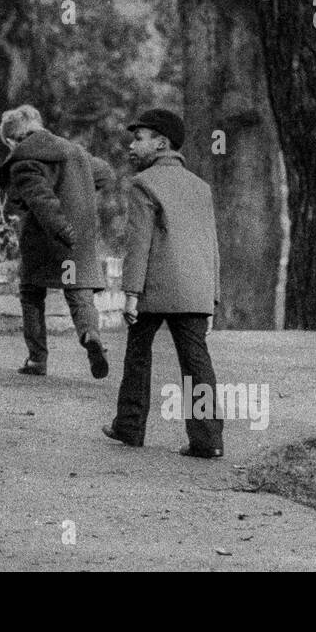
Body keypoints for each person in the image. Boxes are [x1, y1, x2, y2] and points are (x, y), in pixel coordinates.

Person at [103, 108, 223, 459]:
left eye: (138, 138)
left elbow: (139, 244)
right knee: (196, 362)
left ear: (161, 142)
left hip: (155, 289)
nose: (131, 145)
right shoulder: (201, 186)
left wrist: (130, 294)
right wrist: (212, 297)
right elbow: (211, 243)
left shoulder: (143, 183)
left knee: (138, 354)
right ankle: (208, 439)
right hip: (195, 290)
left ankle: (130, 426)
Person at [0, 104, 113, 379]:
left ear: (12, 140)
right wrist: (78, 191)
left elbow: (41, 200)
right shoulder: (75, 152)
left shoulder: (24, 162)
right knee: (80, 294)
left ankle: (37, 359)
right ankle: (90, 335)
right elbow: (105, 173)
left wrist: (60, 227)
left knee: (31, 293)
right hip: (78, 241)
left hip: (46, 239)